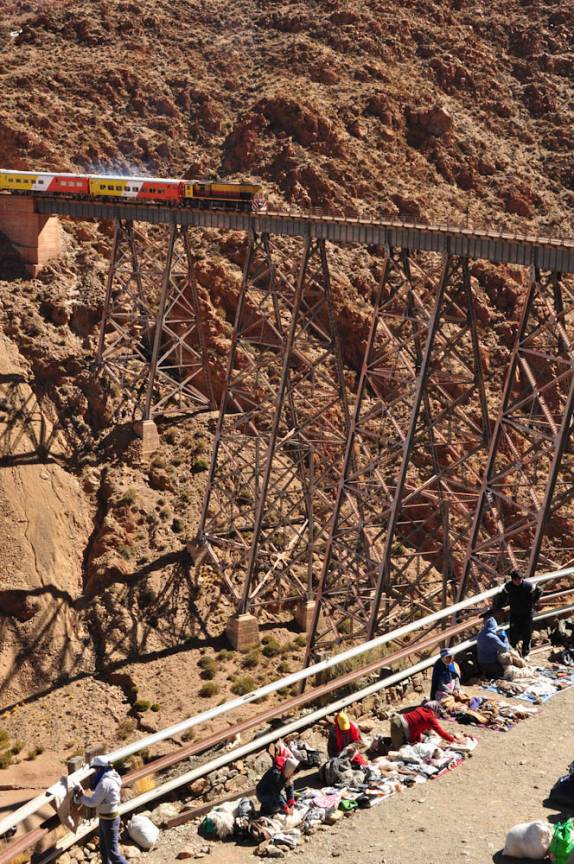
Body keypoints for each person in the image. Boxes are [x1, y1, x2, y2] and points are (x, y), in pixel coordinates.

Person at [73, 756, 127, 864]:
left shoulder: (105, 782)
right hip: (106, 817)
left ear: (101, 769)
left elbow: (93, 802)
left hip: (109, 820)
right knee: (104, 849)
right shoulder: (113, 777)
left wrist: (81, 796)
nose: (95, 773)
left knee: (113, 853)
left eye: (96, 770)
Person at [493, 569, 543, 657]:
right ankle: (513, 651)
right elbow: (502, 596)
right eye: (517, 580)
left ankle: (525, 652)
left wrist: (532, 601)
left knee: (527, 633)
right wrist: (498, 607)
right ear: (512, 579)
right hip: (515, 613)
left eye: (520, 579)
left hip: (527, 613)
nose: (519, 581)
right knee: (513, 633)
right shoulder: (508, 586)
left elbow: (539, 590)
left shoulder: (528, 585)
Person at [389, 704, 464, 750]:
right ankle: (379, 744)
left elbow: (417, 726)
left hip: (398, 721)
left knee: (403, 744)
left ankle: (389, 742)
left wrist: (417, 741)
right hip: (398, 725)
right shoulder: (430, 718)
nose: (438, 717)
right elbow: (441, 733)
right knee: (398, 750)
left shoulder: (421, 709)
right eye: (438, 714)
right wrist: (453, 740)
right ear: (435, 711)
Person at [256, 746, 300, 816]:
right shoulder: (276, 774)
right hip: (263, 793)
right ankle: (265, 810)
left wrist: (291, 803)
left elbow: (289, 787)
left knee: (283, 804)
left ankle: (268, 807)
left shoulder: (286, 770)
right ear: (290, 771)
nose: (292, 776)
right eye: (292, 774)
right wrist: (285, 808)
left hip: (273, 791)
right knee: (277, 806)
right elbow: (276, 794)